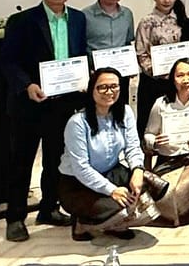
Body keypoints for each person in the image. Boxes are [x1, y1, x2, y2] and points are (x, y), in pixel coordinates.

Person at [1, 0, 87, 241]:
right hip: (30, 102)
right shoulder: (22, 21)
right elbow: (8, 61)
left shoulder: (78, 19)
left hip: (63, 104)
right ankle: (15, 217)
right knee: (21, 161)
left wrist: (82, 79)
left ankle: (49, 208)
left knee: (55, 160)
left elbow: (79, 54)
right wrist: (27, 85)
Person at [59, 68, 169, 241]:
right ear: (92, 90)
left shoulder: (125, 112)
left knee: (152, 187)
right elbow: (82, 169)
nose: (109, 92)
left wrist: (138, 171)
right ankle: (83, 223)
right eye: (102, 87)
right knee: (122, 206)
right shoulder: (77, 123)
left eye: (114, 86)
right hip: (77, 184)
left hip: (111, 172)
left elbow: (133, 147)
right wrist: (112, 190)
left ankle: (115, 223)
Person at [142, 58, 189, 226]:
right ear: (172, 79)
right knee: (168, 193)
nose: (185, 80)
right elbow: (148, 135)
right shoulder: (161, 104)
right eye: (180, 75)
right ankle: (175, 214)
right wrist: (155, 141)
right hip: (168, 159)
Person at [135, 0, 188, 153]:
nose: (166, 0)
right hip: (152, 82)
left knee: (172, 123)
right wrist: (157, 72)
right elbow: (141, 53)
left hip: (176, 81)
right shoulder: (146, 22)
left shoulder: (182, 20)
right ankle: (144, 164)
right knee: (148, 124)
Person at [82, 0, 135, 103]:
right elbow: (80, 47)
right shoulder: (84, 16)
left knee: (119, 112)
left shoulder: (127, 14)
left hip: (120, 76)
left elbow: (128, 43)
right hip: (95, 77)